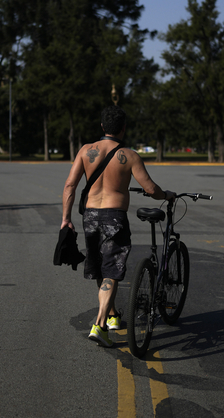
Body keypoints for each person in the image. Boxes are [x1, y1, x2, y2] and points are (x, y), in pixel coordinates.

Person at [61, 106, 175, 348]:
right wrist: (167, 195)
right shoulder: (130, 156)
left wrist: (65, 219)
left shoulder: (85, 151)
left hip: (90, 215)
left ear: (102, 127)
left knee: (101, 267)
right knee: (112, 271)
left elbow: (70, 186)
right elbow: (151, 189)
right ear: (123, 128)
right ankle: (100, 325)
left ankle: (112, 316)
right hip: (114, 217)